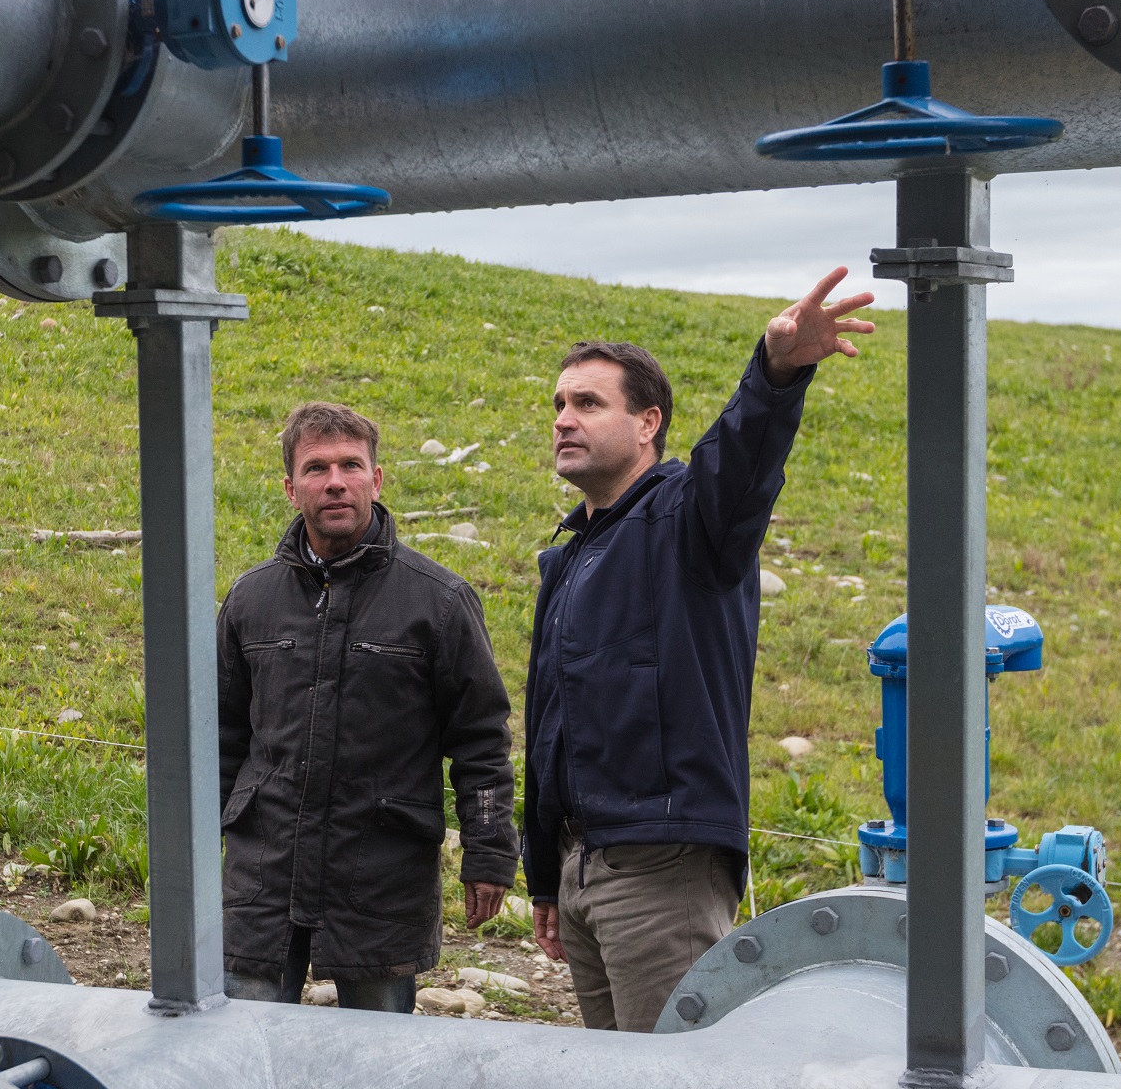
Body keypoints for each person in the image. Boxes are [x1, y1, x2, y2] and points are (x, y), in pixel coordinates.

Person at [521, 270, 876, 1031]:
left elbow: (740, 460)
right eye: (558, 404)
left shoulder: (691, 524)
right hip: (584, 871)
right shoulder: (571, 559)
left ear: (648, 423)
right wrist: (547, 873)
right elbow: (549, 725)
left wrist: (777, 371)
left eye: (588, 402)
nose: (563, 419)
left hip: (661, 871)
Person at [218, 400, 519, 1010]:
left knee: (376, 1064)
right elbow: (221, 735)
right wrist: (197, 847)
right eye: (316, 468)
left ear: (376, 479)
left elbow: (481, 737)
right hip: (263, 875)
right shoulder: (251, 600)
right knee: (239, 1053)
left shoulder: (438, 602)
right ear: (289, 487)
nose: (335, 481)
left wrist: (488, 851)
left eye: (351, 465)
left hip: (380, 876)